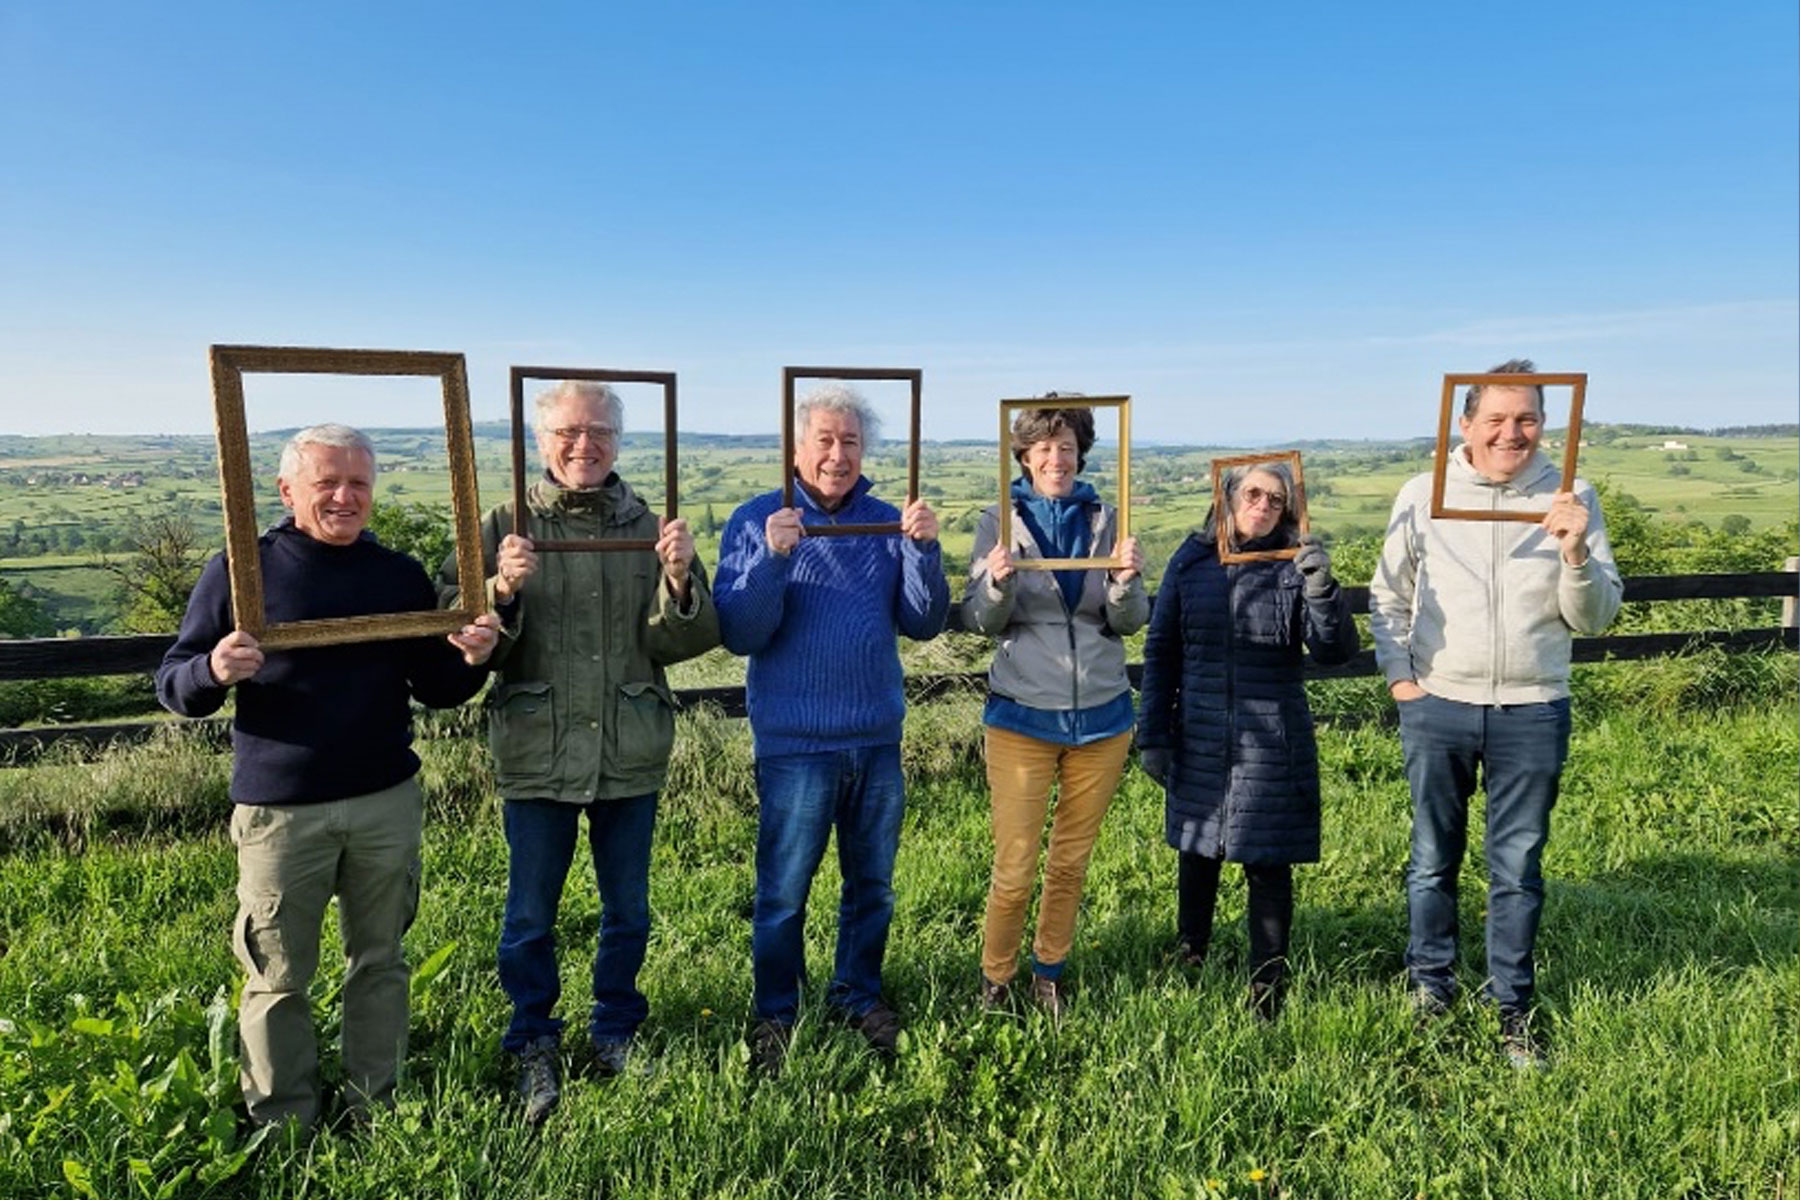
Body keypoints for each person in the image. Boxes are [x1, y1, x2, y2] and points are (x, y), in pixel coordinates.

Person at [156, 423, 500, 1132]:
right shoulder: (242, 571)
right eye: (327, 484)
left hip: (385, 798)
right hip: (282, 811)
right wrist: (212, 671)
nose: (345, 497)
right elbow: (173, 682)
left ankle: (376, 1106)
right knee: (277, 977)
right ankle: (285, 1123)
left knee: (381, 960)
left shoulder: (397, 575)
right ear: (288, 491)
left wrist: (474, 657)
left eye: (359, 485)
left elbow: (435, 687)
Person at [437, 380, 718, 1124]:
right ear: (540, 438)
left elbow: (680, 642)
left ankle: (615, 1029)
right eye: (567, 431)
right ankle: (533, 1038)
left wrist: (680, 577)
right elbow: (458, 644)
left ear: (620, 442)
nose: (583, 444)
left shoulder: (655, 529)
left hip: (629, 747)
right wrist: (499, 590)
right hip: (538, 749)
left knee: (628, 910)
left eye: (599, 431)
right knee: (531, 913)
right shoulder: (502, 524)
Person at [1369, 358, 1622, 1066]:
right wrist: (1402, 683)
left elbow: (1596, 618)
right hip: (1439, 701)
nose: (1514, 433)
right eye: (1498, 419)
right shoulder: (1424, 493)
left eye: (1528, 419)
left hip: (1534, 708)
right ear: (1466, 423)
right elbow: (1388, 596)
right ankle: (1432, 988)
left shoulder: (1574, 497)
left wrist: (1575, 552)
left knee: (1517, 866)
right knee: (1430, 860)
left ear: (1546, 422)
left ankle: (1511, 1005)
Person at [714, 383, 949, 1072]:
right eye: (825, 440)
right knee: (784, 893)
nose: (838, 455)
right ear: (796, 447)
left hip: (877, 737)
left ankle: (856, 992)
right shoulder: (757, 518)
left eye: (850, 442)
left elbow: (925, 621)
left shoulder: (884, 520)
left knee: (871, 885)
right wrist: (774, 558)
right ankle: (775, 1013)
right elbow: (740, 631)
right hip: (796, 747)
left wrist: (925, 552)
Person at [1138, 460, 1358, 1020]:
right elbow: (1161, 650)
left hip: (1272, 741)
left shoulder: (1293, 566)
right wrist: (1154, 733)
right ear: (1228, 497)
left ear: (1288, 511)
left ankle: (1267, 983)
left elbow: (1335, 651)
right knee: (1197, 850)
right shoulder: (1190, 563)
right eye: (1252, 493)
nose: (1262, 505)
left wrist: (1323, 588)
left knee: (1267, 861)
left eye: (1275, 499)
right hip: (1202, 731)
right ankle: (1191, 951)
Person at [961, 403, 1147, 1017]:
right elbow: (982, 620)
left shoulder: (1107, 517)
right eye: (1042, 447)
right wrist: (996, 582)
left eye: (1065, 446)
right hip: (1022, 717)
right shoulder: (999, 520)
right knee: (1014, 865)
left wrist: (1126, 583)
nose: (1055, 458)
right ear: (1023, 457)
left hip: (1103, 717)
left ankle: (1050, 972)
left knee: (1070, 861)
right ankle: (996, 978)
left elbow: (1128, 622)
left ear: (1080, 452)